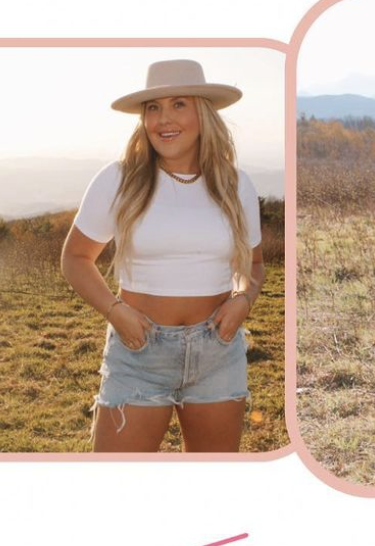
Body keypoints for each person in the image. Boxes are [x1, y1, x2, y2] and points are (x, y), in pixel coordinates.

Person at [61, 60, 264, 453]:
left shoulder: (236, 184)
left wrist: (244, 299)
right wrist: (116, 311)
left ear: (203, 112)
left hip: (218, 351)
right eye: (153, 108)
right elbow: (75, 258)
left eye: (178, 104)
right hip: (139, 350)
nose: (163, 119)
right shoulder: (118, 179)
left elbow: (252, 265)